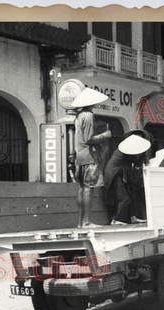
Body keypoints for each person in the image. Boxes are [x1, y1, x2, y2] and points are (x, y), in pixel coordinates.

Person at [72, 88, 112, 228]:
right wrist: (105, 135)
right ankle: (87, 222)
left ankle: (81, 222)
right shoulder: (88, 116)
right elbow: (89, 139)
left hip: (80, 156)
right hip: (89, 156)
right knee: (89, 189)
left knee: (82, 189)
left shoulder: (78, 116)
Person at [104, 133, 151, 225]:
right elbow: (138, 163)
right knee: (123, 198)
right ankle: (118, 220)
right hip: (115, 175)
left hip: (117, 174)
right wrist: (144, 154)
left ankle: (132, 217)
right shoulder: (127, 151)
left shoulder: (125, 149)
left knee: (130, 194)